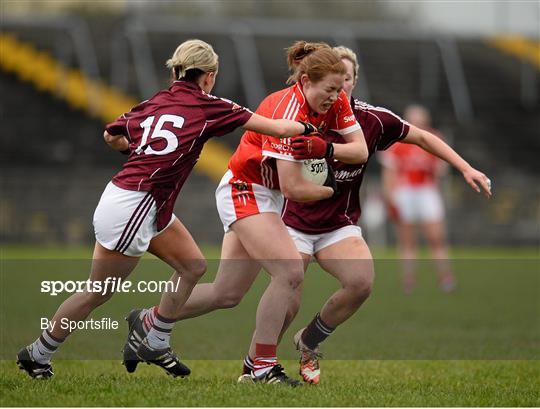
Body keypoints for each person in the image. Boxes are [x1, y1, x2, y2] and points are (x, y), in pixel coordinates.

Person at [16, 39, 320, 379]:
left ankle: (156, 338)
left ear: (175, 71)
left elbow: (110, 135)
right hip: (136, 205)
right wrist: (311, 130)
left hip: (138, 200)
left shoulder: (155, 101)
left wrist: (138, 149)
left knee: (193, 265)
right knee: (98, 291)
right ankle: (38, 353)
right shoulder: (209, 105)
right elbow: (277, 127)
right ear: (208, 76)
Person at [236, 46, 491, 385]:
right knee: (288, 299)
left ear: (353, 80)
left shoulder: (371, 120)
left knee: (361, 282)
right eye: (332, 83)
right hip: (293, 221)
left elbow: (420, 137)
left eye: (345, 81)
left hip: (338, 224)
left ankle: (309, 341)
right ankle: (256, 365)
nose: (338, 90)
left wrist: (465, 167)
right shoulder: (302, 113)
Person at [123, 41, 368, 386]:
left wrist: (326, 148)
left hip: (264, 195)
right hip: (244, 189)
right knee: (289, 272)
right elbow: (295, 189)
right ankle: (262, 366)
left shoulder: (336, 96)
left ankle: (149, 321)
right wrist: (331, 189)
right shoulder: (287, 109)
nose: (335, 96)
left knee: (227, 293)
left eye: (338, 88)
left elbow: (360, 151)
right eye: (328, 89)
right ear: (305, 81)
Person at [380, 104, 456, 293]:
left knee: (436, 237)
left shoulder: (434, 138)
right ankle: (408, 280)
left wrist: (439, 168)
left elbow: (442, 167)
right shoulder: (397, 141)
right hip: (405, 192)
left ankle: (445, 277)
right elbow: (389, 173)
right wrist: (390, 198)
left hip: (427, 190)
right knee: (407, 240)